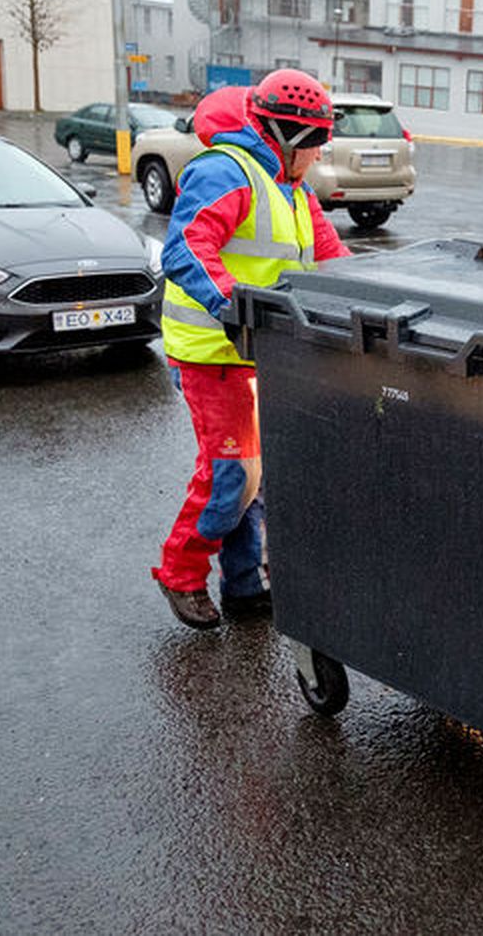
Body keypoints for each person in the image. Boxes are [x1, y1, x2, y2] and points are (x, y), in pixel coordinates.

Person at [151, 69, 350, 629]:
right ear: (286, 138)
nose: (316, 156)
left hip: (262, 352)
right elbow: (188, 247)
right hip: (213, 352)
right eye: (312, 144)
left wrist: (377, 297)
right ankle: (179, 572)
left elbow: (334, 259)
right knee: (230, 474)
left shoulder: (292, 191)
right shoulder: (225, 173)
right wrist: (232, 306)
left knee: (255, 474)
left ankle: (243, 583)